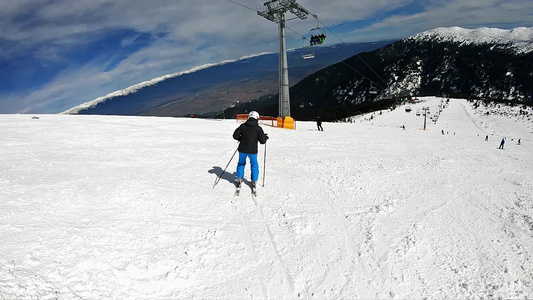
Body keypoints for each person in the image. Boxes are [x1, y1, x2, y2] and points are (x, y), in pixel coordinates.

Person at [233, 111, 269, 191]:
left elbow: (235, 135)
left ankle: (239, 180)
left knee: (241, 163)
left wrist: (241, 139)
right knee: (254, 165)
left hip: (242, 149)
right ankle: (254, 181)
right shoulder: (258, 128)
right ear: (257, 118)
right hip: (252, 151)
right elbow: (262, 141)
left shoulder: (243, 126)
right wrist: (266, 137)